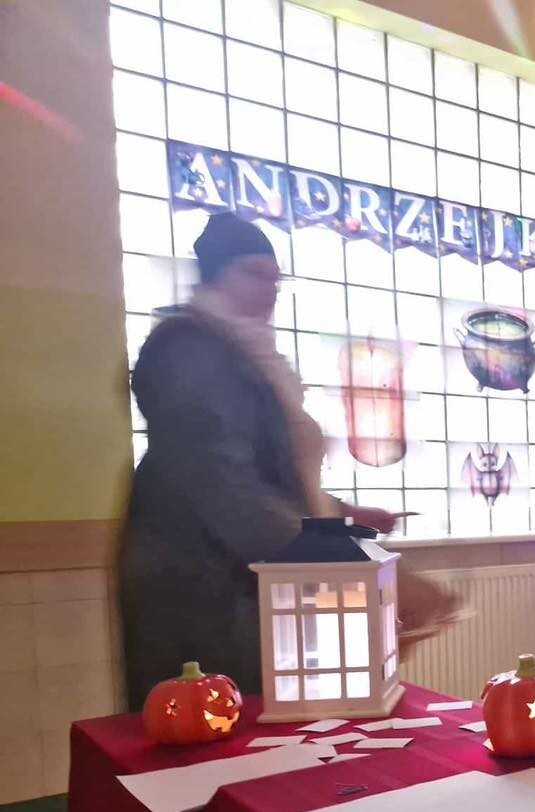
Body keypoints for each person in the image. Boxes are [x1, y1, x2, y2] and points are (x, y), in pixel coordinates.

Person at [119, 212, 455, 709]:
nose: (270, 289)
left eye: (277, 278)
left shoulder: (244, 354)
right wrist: (352, 564)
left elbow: (273, 477)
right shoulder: (188, 351)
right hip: (207, 588)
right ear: (214, 275)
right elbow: (225, 487)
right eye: (254, 273)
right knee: (219, 723)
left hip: (248, 583)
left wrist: (341, 514)